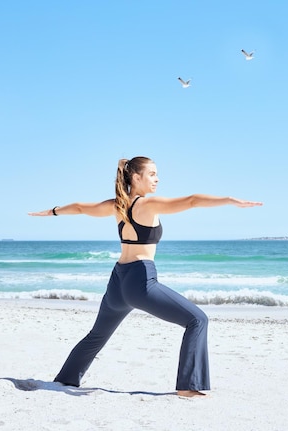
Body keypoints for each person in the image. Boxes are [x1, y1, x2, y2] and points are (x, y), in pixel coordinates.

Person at [28, 156, 262, 397]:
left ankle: (65, 380)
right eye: (152, 174)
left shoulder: (116, 205)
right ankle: (188, 387)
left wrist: (52, 212)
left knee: (97, 335)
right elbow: (192, 201)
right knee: (197, 320)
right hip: (140, 280)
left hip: (118, 282)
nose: (157, 179)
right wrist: (230, 200)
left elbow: (78, 207)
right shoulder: (147, 205)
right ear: (136, 177)